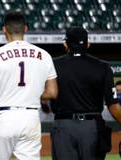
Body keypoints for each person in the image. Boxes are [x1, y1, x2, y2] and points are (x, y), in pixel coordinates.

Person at [0, 11, 58, 160]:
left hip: (5, 116)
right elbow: (52, 92)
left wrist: (7, 93)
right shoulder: (44, 55)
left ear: (4, 30)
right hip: (31, 117)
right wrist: (29, 93)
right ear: (26, 29)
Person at [51, 27, 121, 160]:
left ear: (65, 44)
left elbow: (45, 95)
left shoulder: (53, 65)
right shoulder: (103, 66)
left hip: (63, 126)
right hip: (92, 127)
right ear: (88, 44)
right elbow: (113, 106)